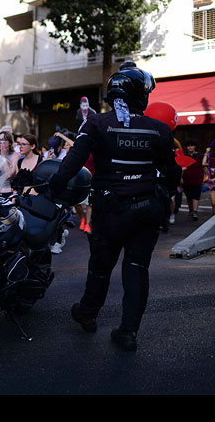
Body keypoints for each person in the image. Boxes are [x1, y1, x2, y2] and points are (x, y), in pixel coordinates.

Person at [49, 66, 181, 352]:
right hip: (147, 210)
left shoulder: (96, 124)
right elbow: (173, 174)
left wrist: (52, 189)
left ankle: (87, 313)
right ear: (139, 95)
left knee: (100, 267)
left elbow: (71, 163)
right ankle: (128, 332)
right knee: (136, 269)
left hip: (110, 210)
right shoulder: (159, 129)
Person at [182, 140, 202, 221]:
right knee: (189, 196)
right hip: (186, 179)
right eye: (188, 146)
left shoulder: (200, 156)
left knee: (196, 196)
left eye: (192, 145)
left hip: (197, 179)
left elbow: (204, 166)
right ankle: (191, 210)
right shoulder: (184, 156)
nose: (190, 147)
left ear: (195, 146)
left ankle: (195, 212)